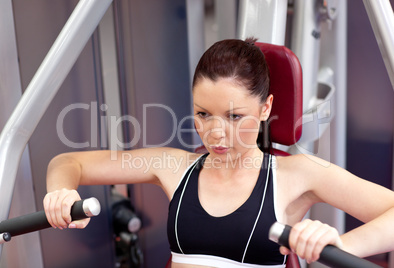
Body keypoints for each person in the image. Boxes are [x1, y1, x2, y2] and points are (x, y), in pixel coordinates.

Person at [43, 38, 394, 267]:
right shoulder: (172, 166)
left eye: (234, 116)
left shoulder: (297, 174)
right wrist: (61, 191)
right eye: (202, 114)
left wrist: (338, 244)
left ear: (265, 107)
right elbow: (68, 162)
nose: (215, 133)